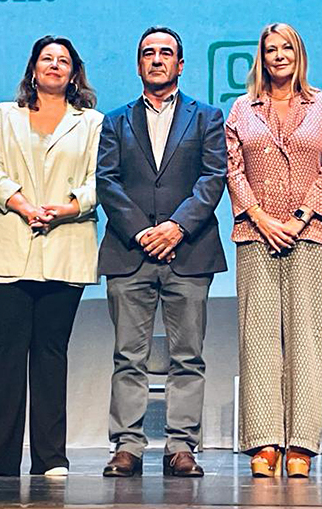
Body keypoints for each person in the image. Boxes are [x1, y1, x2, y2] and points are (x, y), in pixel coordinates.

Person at [0, 36, 103, 477]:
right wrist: (23, 204)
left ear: (74, 71)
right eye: (47, 59)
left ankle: (51, 458)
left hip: (67, 246)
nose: (55, 66)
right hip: (10, 246)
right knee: (6, 352)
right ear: (33, 69)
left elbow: (103, 178)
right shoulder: (5, 114)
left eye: (63, 61)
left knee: (50, 352)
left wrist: (66, 207)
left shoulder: (94, 122)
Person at [96, 26, 227, 478]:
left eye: (165, 53)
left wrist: (174, 227)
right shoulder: (114, 120)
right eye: (148, 53)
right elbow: (106, 182)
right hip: (130, 253)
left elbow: (213, 178)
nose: (156, 59)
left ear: (180, 64)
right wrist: (142, 233)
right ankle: (127, 445)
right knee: (128, 356)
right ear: (138, 65)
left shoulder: (207, 117)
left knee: (187, 356)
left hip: (188, 252)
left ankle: (180, 446)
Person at [225, 23, 322, 478]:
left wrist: (298, 219)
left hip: (310, 234)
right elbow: (233, 170)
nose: (279, 56)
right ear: (261, 57)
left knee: (306, 340)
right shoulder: (241, 109)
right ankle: (264, 441)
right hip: (255, 234)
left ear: (299, 54)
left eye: (286, 48)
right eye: (271, 49)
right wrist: (261, 218)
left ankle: (301, 445)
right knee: (258, 338)